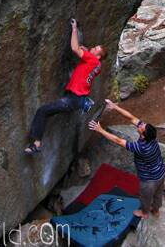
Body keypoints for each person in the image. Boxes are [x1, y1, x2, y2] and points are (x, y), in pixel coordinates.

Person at [24, 18, 107, 155]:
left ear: (98, 56)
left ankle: (36, 143)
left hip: (73, 99)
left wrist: (74, 29)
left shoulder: (92, 60)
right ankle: (36, 143)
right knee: (46, 111)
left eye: (95, 49)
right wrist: (87, 52)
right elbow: (86, 63)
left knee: (42, 111)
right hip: (77, 99)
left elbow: (75, 48)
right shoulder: (98, 66)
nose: (92, 48)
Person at [89, 100, 165, 219]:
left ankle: (144, 213)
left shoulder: (141, 148)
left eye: (141, 127)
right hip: (161, 173)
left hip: (150, 179)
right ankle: (156, 210)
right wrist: (115, 107)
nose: (140, 125)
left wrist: (100, 130)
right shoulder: (152, 138)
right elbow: (132, 118)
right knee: (158, 194)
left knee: (145, 196)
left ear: (143, 136)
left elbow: (118, 141)